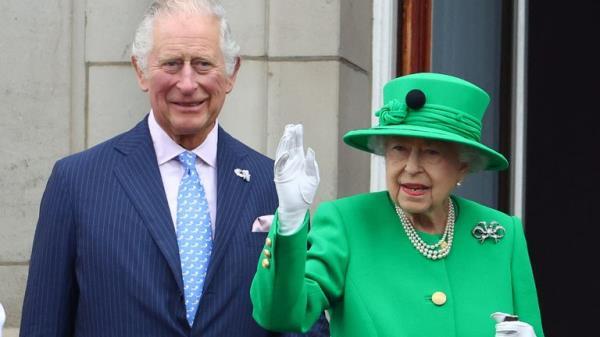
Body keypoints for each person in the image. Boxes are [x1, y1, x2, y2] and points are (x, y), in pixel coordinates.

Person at [19, 1, 328, 336]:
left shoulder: (273, 186)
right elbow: (42, 326)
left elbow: (302, 325)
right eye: (171, 63)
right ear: (140, 71)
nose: (187, 82)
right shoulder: (77, 183)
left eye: (203, 64)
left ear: (231, 73)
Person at [251, 72, 545, 337]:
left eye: (431, 152)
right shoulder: (348, 222)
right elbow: (282, 315)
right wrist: (290, 220)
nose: (411, 167)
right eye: (399, 149)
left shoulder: (503, 235)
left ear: (463, 166)